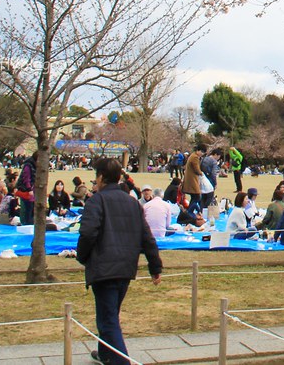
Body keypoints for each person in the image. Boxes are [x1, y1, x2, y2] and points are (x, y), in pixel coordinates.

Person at [76, 157, 162, 365]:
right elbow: (147, 237)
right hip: (125, 266)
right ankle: (105, 353)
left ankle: (121, 361)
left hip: (104, 267)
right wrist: (154, 266)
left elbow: (87, 233)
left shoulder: (96, 201)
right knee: (110, 314)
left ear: (101, 178)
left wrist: (82, 256)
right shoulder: (132, 202)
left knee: (108, 319)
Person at [183, 144, 205, 215]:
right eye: (201, 152)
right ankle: (190, 211)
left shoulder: (192, 155)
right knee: (197, 196)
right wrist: (201, 173)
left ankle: (190, 211)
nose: (202, 154)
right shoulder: (195, 157)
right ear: (198, 150)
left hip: (190, 179)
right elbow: (197, 169)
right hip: (192, 180)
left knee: (194, 197)